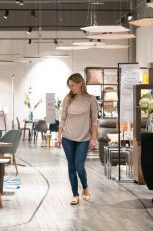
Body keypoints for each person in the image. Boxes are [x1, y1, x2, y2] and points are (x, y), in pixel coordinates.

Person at [55, 73, 98, 205]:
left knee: (80, 166)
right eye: (69, 86)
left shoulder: (90, 99)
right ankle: (75, 194)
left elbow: (94, 121)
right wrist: (58, 137)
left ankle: (85, 187)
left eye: (72, 85)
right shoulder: (68, 99)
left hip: (84, 138)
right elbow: (62, 119)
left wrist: (94, 138)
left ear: (80, 83)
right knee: (71, 167)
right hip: (68, 137)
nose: (71, 88)